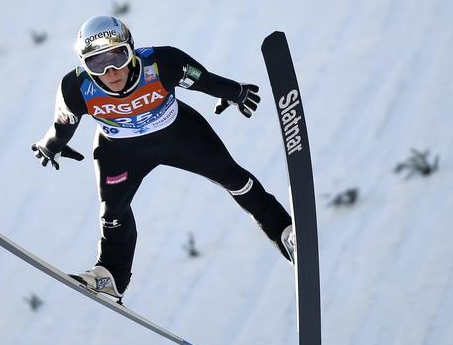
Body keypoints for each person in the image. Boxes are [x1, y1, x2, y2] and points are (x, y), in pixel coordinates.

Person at [31, 15, 295, 300]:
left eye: (118, 57)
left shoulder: (162, 63)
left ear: (132, 50)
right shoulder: (76, 88)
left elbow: (203, 80)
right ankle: (111, 276)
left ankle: (285, 231)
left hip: (178, 135)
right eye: (97, 63)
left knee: (234, 178)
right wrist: (50, 146)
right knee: (112, 212)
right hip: (119, 151)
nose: (111, 71)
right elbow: (62, 127)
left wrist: (236, 92)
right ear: (84, 66)